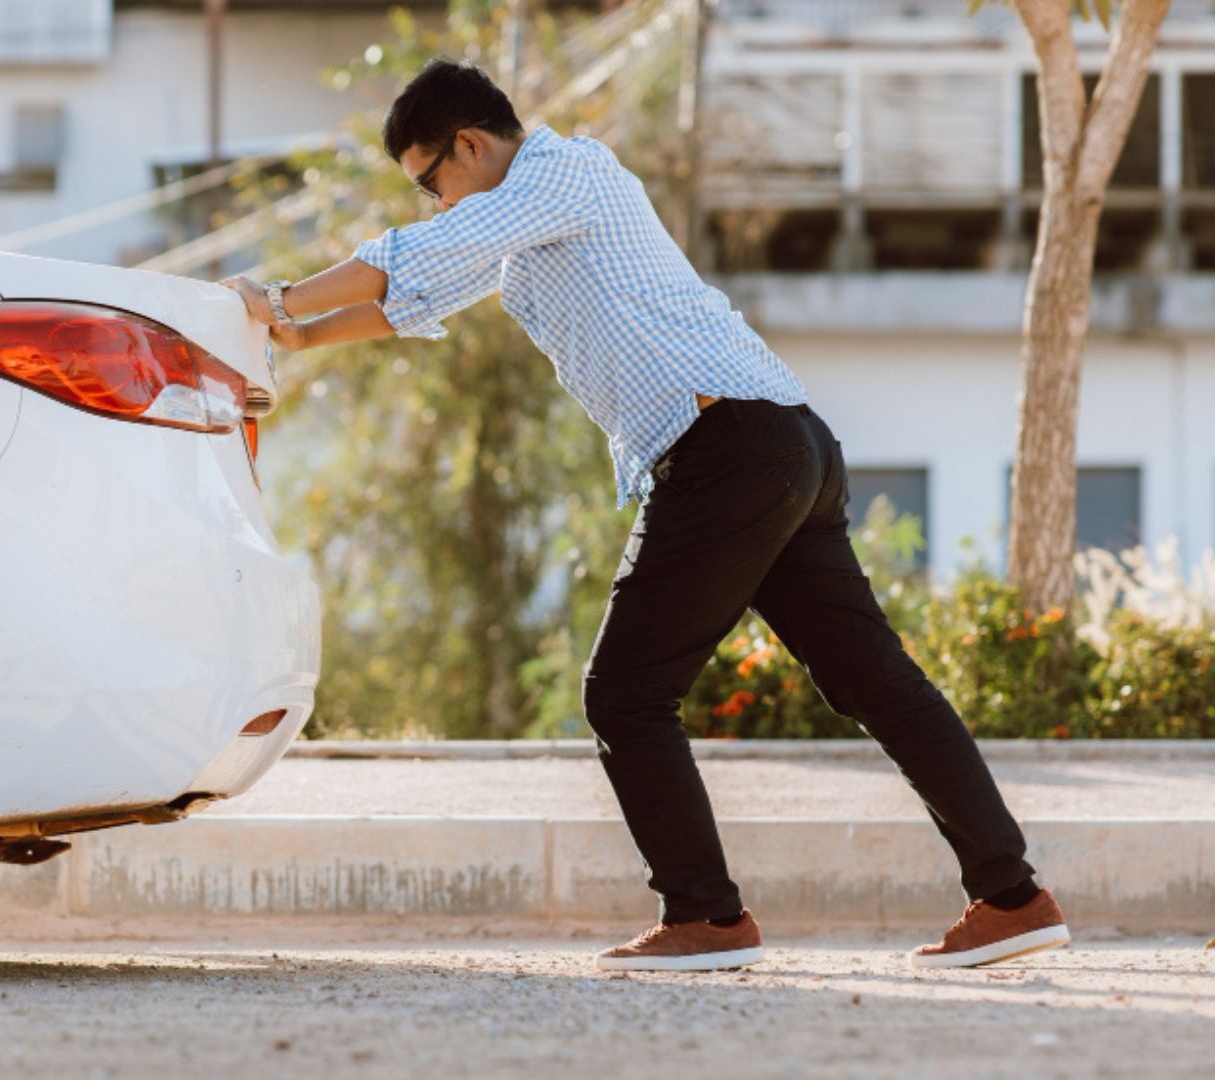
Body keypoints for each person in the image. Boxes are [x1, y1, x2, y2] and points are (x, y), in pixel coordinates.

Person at [221, 57, 1070, 972]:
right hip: (779, 442)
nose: (436, 205)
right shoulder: (523, 225)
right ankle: (1011, 897)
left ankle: (706, 917)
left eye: (434, 181)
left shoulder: (563, 173)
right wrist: (297, 335)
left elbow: (414, 257)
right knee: (878, 683)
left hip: (728, 448)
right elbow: (421, 295)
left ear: (471, 143)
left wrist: (273, 297)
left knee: (624, 693)